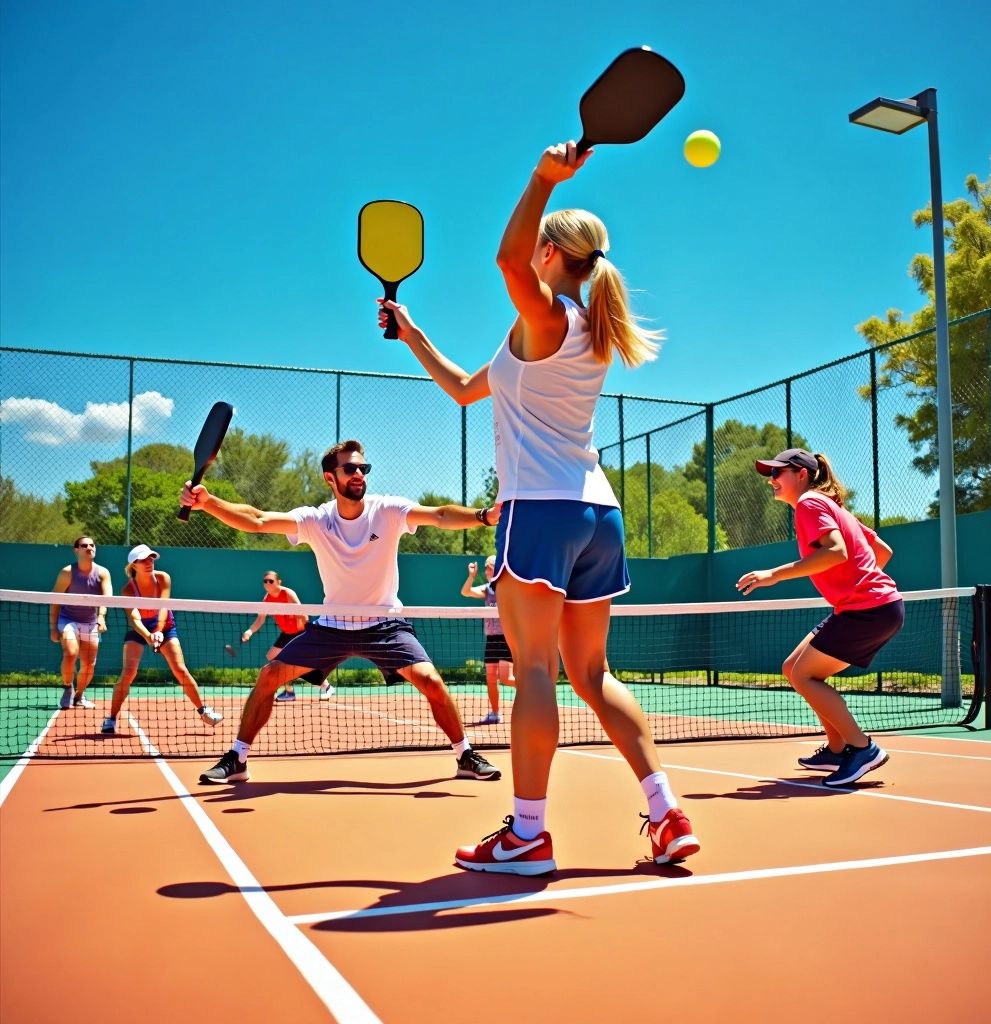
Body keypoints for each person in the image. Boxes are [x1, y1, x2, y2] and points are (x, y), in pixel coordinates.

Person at [380, 140, 699, 875]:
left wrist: (539, 178)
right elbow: (465, 388)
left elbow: (505, 261)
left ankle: (527, 835)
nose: (529, 259)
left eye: (540, 246)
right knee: (593, 674)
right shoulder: (577, 330)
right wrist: (411, 334)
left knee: (533, 672)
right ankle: (666, 813)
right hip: (597, 515)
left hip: (541, 510)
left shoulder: (547, 314)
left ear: (552, 254)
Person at [179, 440, 502, 786]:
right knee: (269, 676)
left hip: (385, 625)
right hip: (332, 627)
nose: (359, 474)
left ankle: (465, 755)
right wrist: (209, 503)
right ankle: (238, 758)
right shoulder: (316, 520)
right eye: (350, 469)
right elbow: (258, 520)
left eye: (364, 468)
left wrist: (484, 516)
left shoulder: (388, 510)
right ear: (330, 479)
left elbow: (438, 515)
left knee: (432, 682)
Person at [735, 448, 904, 787]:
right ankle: (836, 747)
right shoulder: (833, 506)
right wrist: (856, 584)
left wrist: (774, 574)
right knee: (792, 668)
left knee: (803, 675)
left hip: (868, 610)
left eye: (777, 473)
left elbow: (838, 551)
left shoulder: (810, 504)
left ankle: (862, 748)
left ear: (801, 474)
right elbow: (882, 551)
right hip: (872, 606)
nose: (771, 480)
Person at [101, 545, 224, 734]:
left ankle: (203, 710)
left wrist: (158, 631)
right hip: (141, 630)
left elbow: (164, 607)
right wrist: (149, 636)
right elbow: (134, 619)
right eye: (143, 560)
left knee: (180, 669)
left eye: (151, 558)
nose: (149, 562)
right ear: (134, 565)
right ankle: (111, 719)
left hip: (165, 626)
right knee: (128, 674)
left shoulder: (163, 578)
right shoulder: (128, 589)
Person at [240, 570, 335, 702]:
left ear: (278, 582)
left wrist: (307, 633)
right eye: (265, 581)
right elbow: (260, 619)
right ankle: (290, 692)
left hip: (300, 632)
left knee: (298, 662)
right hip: (287, 634)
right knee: (273, 657)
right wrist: (249, 631)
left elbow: (302, 613)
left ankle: (325, 686)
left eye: (271, 580)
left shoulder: (287, 593)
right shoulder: (267, 599)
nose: (268, 583)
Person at [49, 536, 113, 710]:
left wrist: (101, 617)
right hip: (67, 619)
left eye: (92, 545)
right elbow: (55, 600)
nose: (89, 548)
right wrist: (53, 627)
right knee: (70, 653)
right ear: (76, 550)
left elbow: (107, 598)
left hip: (91, 622)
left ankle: (79, 696)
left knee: (89, 663)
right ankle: (68, 688)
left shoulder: (102, 573)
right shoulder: (67, 573)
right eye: (84, 545)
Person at [461, 556, 515, 724]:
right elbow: (465, 592)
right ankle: (495, 713)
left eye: (490, 567)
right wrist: (471, 576)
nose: (487, 570)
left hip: (507, 638)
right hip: (491, 639)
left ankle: (534, 690)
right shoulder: (487, 589)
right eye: (486, 568)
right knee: (491, 678)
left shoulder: (508, 587)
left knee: (506, 678)